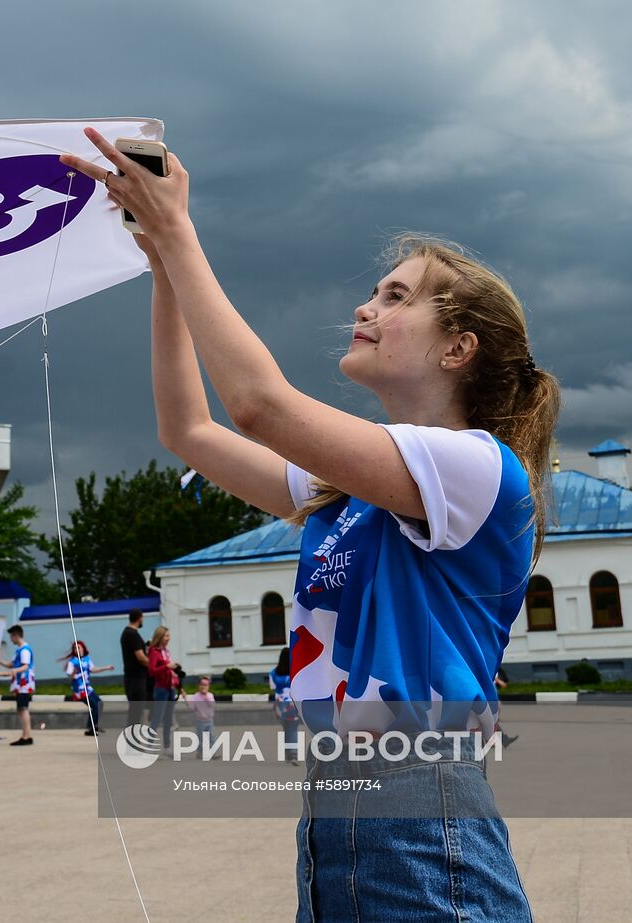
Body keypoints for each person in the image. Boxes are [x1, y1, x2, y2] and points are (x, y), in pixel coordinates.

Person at [63, 131, 557, 921]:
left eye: (396, 297)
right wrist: (162, 264)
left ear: (459, 348)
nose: (365, 307)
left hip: (422, 803)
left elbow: (257, 405)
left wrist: (180, 231)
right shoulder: (346, 494)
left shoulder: (477, 468)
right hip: (334, 809)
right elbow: (188, 430)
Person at [64, 641, 115, 736]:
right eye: (75, 648)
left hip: (88, 688)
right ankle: (91, 728)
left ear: (83, 648)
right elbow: (69, 675)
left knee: (100, 704)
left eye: (78, 647)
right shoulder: (72, 662)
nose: (76, 650)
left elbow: (93, 669)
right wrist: (73, 674)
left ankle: (93, 725)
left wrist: (106, 668)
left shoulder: (87, 659)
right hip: (80, 690)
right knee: (95, 706)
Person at [146, 626, 181, 752]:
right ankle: (148, 746)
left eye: (169, 636)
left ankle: (167, 747)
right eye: (166, 636)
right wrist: (167, 666)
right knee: (157, 718)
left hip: (170, 688)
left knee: (168, 719)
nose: (168, 638)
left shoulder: (166, 651)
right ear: (160, 637)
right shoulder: (154, 652)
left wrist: (177, 683)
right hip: (161, 689)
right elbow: (152, 671)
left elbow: (169, 671)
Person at [1, 624, 36, 746]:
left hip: (24, 684)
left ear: (16, 635)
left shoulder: (24, 650)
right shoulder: (20, 650)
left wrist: (15, 671)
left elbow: (25, 666)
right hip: (21, 684)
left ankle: (26, 736)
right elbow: (11, 664)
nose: (11, 639)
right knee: (21, 709)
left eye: (11, 636)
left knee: (23, 708)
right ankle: (27, 735)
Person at [119, 608, 151, 727]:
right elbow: (141, 657)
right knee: (136, 711)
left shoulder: (127, 633)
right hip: (136, 678)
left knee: (136, 710)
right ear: (139, 618)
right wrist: (154, 666)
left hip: (131, 677)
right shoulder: (133, 635)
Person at [269, 647, 300, 767]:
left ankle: (288, 754)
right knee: (293, 729)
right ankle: (293, 754)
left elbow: (272, 687)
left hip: (279, 705)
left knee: (286, 728)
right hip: (292, 704)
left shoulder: (273, 673)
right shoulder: (295, 671)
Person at [189, 675, 216, 754]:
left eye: (205, 685)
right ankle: (200, 752)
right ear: (198, 685)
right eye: (202, 685)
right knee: (200, 737)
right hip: (200, 720)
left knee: (211, 736)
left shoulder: (210, 695)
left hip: (209, 720)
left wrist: (206, 698)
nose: (203, 687)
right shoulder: (195, 696)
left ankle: (212, 752)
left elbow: (212, 705)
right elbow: (192, 708)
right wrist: (189, 702)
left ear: (208, 687)